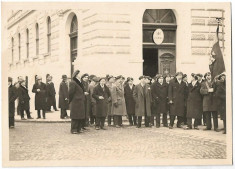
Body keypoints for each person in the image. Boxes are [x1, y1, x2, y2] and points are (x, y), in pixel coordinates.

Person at [69, 70, 86, 134]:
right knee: (75, 116)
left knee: (80, 116)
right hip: (75, 102)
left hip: (80, 101)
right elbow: (71, 93)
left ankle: (78, 128)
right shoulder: (73, 82)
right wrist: (70, 100)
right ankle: (74, 129)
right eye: (80, 74)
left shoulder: (79, 82)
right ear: (76, 75)